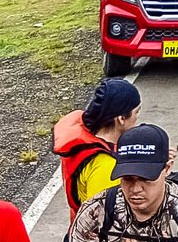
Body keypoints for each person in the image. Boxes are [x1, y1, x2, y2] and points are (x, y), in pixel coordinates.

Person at [52, 78, 142, 226]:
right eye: (136, 112)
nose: (137, 118)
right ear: (121, 118)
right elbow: (104, 221)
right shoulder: (105, 166)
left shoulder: (85, 141)